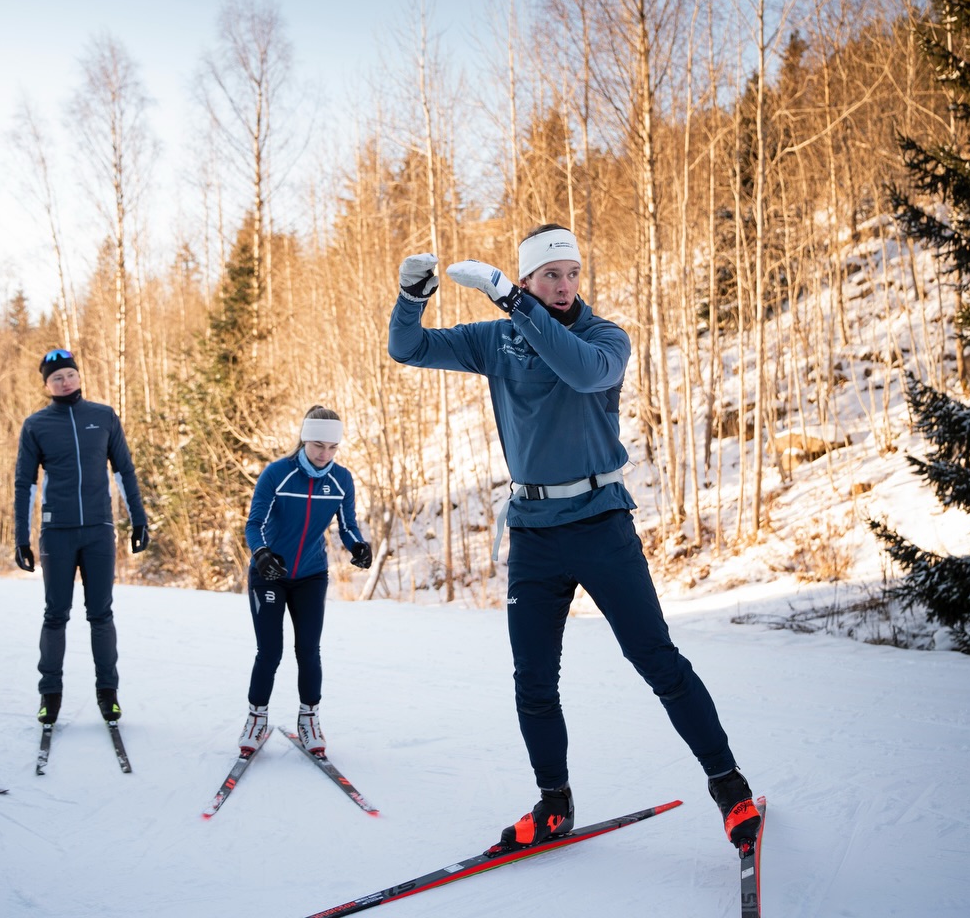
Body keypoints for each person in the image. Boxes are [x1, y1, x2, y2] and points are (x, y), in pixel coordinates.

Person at [388, 226, 761, 854]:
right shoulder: (496, 340)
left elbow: (583, 374)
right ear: (528, 277)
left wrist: (514, 301)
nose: (564, 286)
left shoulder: (604, 337)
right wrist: (410, 297)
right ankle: (553, 805)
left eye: (572, 273)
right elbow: (408, 348)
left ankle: (731, 788)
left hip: (600, 525)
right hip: (534, 534)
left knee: (657, 661)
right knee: (533, 680)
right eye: (550, 275)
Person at [13, 348, 149, 729]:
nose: (65, 381)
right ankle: (49, 696)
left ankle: (108, 693)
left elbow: (124, 470)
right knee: (55, 615)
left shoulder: (103, 417)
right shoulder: (36, 425)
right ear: (47, 385)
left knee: (101, 614)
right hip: (57, 533)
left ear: (78, 376)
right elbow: (24, 483)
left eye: (70, 374)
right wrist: (21, 537)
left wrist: (139, 520)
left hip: (98, 531)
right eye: (57, 378)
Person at [238, 406, 371, 758]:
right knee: (270, 651)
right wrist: (261, 554)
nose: (325, 454)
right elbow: (254, 524)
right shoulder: (277, 474)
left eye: (332, 447)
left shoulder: (341, 480)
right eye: (317, 446)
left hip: (311, 575)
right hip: (270, 574)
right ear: (303, 439)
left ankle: (309, 719)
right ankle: (256, 718)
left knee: (309, 651)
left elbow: (348, 525)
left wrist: (358, 546)